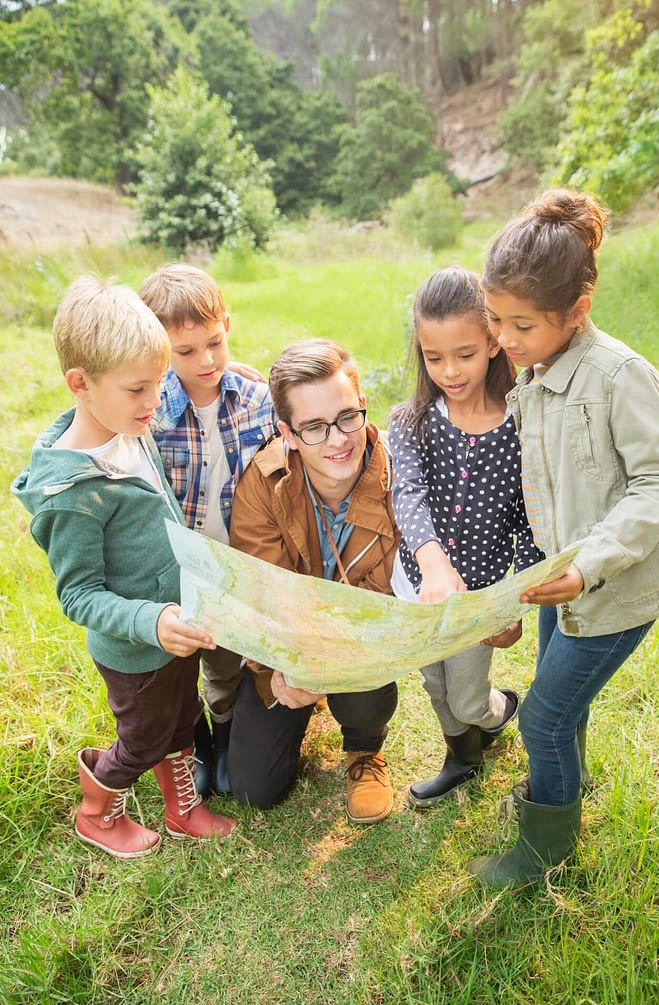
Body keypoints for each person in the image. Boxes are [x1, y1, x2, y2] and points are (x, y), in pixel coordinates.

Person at [468, 188, 659, 887]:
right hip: (556, 575)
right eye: (494, 320)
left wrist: (590, 563)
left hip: (617, 584)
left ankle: (545, 853)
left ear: (577, 310)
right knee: (557, 701)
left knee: (539, 718)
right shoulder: (534, 371)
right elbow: (537, 487)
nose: (503, 341)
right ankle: (571, 786)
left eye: (521, 326)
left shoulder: (617, 377)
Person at [11, 276, 236, 859]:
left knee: (183, 719)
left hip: (175, 631)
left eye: (158, 385)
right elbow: (79, 596)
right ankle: (98, 811)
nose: (154, 402)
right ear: (80, 385)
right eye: (139, 389)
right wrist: (152, 620)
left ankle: (182, 806)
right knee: (142, 740)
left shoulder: (128, 429)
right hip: (136, 650)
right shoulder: (72, 493)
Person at [228, 338, 401, 824]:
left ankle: (365, 749)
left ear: (363, 406)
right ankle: (298, 708)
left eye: (348, 417)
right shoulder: (264, 484)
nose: (338, 439)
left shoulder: (400, 479)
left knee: (364, 691)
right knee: (253, 790)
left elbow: (385, 602)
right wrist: (284, 671)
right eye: (315, 428)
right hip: (288, 648)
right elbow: (261, 596)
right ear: (287, 431)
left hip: (358, 640)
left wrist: (326, 665)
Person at [388, 267, 542, 807]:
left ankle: (501, 711)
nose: (449, 371)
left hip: (480, 599)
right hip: (418, 588)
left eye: (465, 354)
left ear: (495, 344)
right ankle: (462, 759)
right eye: (434, 357)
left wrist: (514, 599)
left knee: (470, 698)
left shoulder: (522, 425)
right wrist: (432, 563)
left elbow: (530, 521)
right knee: (435, 685)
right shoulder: (412, 421)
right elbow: (405, 494)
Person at [139, 263, 275, 797]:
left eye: (214, 343)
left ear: (227, 325)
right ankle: (190, 742)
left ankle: (223, 735)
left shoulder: (254, 396)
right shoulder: (150, 412)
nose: (207, 361)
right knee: (176, 670)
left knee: (222, 661)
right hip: (173, 566)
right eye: (186, 352)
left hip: (230, 563)